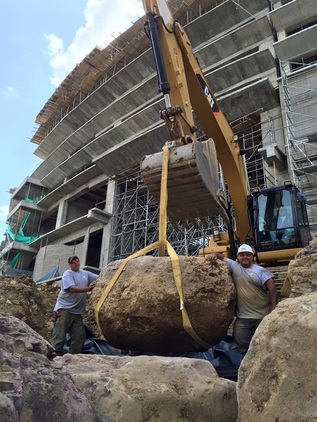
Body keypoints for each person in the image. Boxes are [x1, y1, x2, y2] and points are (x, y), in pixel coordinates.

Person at [208, 244, 278, 354]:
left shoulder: (260, 270)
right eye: (242, 255)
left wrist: (273, 307)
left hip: (262, 317)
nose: (245, 257)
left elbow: (272, 288)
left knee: (265, 346)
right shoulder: (235, 266)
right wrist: (213, 254)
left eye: (247, 255)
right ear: (238, 257)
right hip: (243, 318)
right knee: (242, 345)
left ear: (252, 257)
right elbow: (220, 256)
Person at [51, 255, 98, 355]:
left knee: (79, 336)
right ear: (69, 265)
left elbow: (99, 277)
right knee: (60, 334)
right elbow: (72, 288)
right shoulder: (68, 274)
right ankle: (54, 356)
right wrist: (88, 289)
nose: (75, 263)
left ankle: (73, 357)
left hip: (77, 312)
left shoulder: (85, 273)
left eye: (77, 260)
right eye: (73, 262)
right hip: (64, 309)